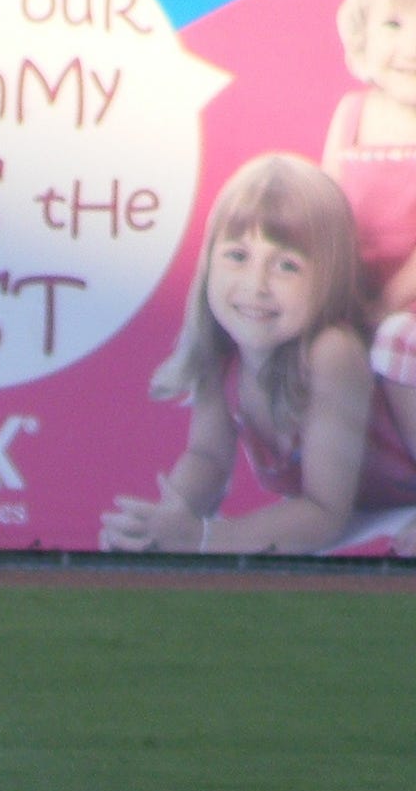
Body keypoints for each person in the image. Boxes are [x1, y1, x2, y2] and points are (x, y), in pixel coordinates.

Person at [99, 153, 416, 556]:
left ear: (330, 277)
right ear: (209, 262)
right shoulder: (222, 351)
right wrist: (158, 524)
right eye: (237, 256)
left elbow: (325, 513)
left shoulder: (330, 353)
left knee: (401, 342)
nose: (256, 284)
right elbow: (208, 458)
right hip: (372, 505)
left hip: (392, 488)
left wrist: (203, 539)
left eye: (286, 265)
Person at [323, 0, 416, 458]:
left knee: (400, 338)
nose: (411, 46)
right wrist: (338, 294)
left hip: (405, 298)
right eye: (394, 25)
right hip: (357, 290)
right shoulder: (352, 113)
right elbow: (326, 210)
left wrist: (384, 305)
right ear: (362, 32)